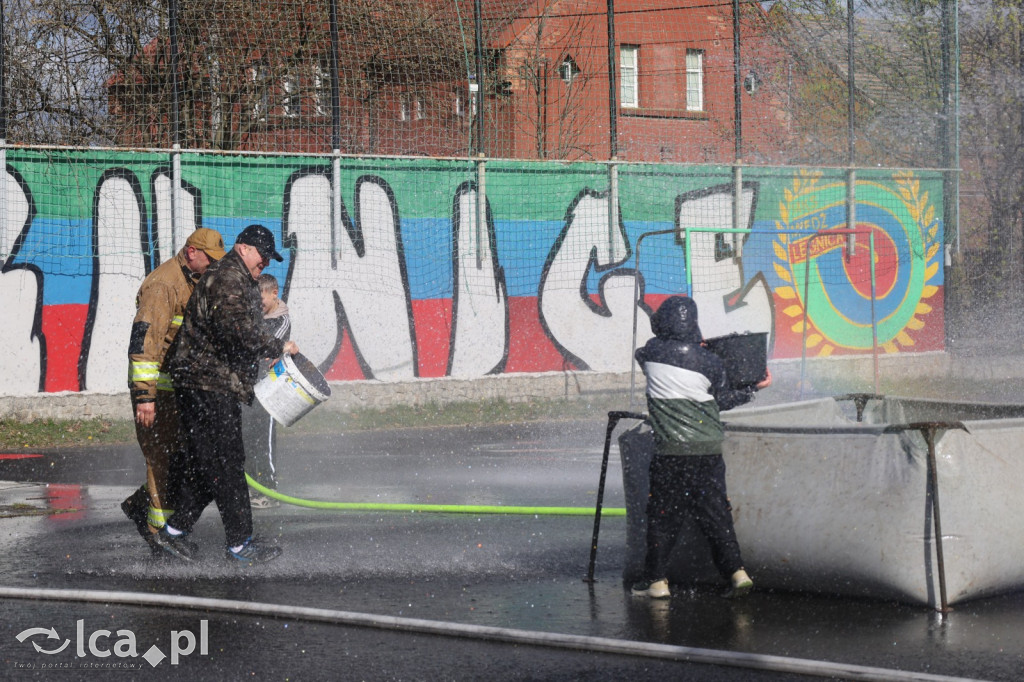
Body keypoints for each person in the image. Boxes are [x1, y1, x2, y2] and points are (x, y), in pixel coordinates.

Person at [156, 224, 299, 565]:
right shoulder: (228, 279)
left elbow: (240, 328)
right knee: (229, 464)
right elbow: (238, 328)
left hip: (213, 383)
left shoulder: (237, 278)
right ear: (243, 248)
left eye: (268, 259)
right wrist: (278, 345)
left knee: (211, 466)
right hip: (207, 383)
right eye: (261, 256)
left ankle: (173, 533)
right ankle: (239, 544)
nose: (264, 263)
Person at [630, 296, 772, 600]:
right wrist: (752, 390)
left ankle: (656, 581)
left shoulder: (650, 353)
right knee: (716, 514)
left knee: (663, 516)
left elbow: (644, 352)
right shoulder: (711, 362)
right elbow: (723, 400)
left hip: (671, 452)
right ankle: (737, 573)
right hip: (708, 450)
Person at [123, 228, 226, 554]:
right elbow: (144, 343)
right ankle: (158, 535)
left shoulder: (195, 280)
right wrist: (145, 397)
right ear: (191, 251)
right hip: (159, 394)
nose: (213, 267)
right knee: (162, 461)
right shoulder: (163, 286)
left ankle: (143, 507)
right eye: (209, 259)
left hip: (182, 391)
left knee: (186, 459)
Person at [242, 273, 291, 509]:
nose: (256, 302)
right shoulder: (255, 316)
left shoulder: (280, 321)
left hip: (269, 391)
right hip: (250, 389)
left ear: (274, 293)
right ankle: (253, 487)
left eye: (260, 297)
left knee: (265, 441)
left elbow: (264, 346)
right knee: (247, 439)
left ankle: (270, 489)